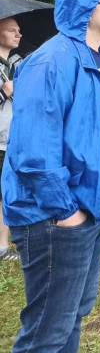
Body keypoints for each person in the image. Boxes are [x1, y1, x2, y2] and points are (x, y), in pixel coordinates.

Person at [2, 0, 100, 353]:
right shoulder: (51, 62)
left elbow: (95, 134)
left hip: (91, 209)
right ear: (88, 6)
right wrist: (67, 214)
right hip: (56, 216)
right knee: (47, 330)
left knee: (71, 318)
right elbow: (33, 153)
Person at [0, 17, 22, 260]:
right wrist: (3, 93)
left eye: (19, 31)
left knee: (6, 194)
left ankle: (3, 245)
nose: (18, 34)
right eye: (11, 30)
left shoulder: (18, 64)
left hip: (11, 138)